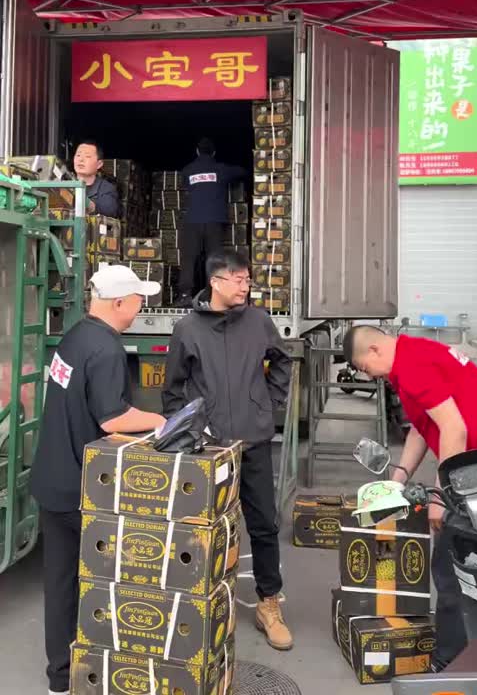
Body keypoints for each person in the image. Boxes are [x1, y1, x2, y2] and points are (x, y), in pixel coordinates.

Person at [31, 266, 166, 695]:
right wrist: (161, 421)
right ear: (120, 302)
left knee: (60, 583)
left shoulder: (74, 337)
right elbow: (113, 418)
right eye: (138, 300)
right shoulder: (107, 349)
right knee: (111, 580)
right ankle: (110, 669)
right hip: (83, 489)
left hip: (51, 479)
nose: (141, 307)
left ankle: (60, 678)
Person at [343, 324, 477, 672]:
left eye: (365, 368)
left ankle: (448, 666)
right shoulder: (408, 362)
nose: (369, 377)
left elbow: (454, 429)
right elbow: (423, 426)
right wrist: (397, 479)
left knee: (451, 570)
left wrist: (441, 498)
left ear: (374, 351)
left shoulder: (412, 366)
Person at [163, 249, 293, 650]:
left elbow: (282, 362)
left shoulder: (258, 322)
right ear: (215, 282)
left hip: (253, 441)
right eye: (238, 279)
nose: (245, 286)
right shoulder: (187, 329)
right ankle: (195, 604)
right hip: (208, 448)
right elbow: (173, 388)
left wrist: (268, 404)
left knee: (264, 524)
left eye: (247, 279)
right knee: (200, 527)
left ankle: (269, 604)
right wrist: (188, 431)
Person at [176, 137, 245, 307]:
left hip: (193, 221)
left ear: (197, 151)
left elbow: (185, 185)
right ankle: (211, 295)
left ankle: (185, 295)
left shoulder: (188, 170)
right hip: (214, 222)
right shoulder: (221, 169)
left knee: (189, 259)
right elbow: (242, 172)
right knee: (213, 259)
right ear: (213, 153)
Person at [73, 140, 120, 217]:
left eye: (87, 156)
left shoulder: (107, 189)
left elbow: (109, 210)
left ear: (99, 164)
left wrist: (88, 204)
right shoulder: (64, 184)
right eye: (78, 155)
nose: (81, 159)